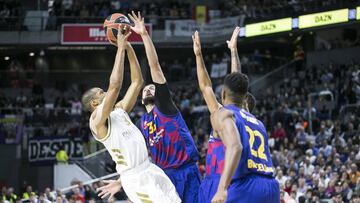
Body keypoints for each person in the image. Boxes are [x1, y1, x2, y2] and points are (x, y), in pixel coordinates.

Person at [81, 27, 180, 203]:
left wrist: (128, 46)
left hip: (149, 168)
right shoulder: (96, 122)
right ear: (94, 103)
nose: (106, 92)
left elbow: (137, 81)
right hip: (136, 179)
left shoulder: (119, 110)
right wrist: (119, 48)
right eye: (101, 92)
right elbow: (115, 85)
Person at [193, 30, 280, 203]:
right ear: (245, 100)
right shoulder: (254, 120)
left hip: (226, 180)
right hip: (268, 184)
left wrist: (198, 55)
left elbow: (206, 87)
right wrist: (233, 51)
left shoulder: (224, 114)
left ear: (224, 94)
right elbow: (237, 82)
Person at [128, 11, 200, 203]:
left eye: (153, 87)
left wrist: (144, 35)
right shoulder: (141, 124)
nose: (149, 89)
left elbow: (155, 66)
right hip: (163, 176)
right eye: (146, 89)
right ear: (141, 99)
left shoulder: (165, 107)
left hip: (185, 170)